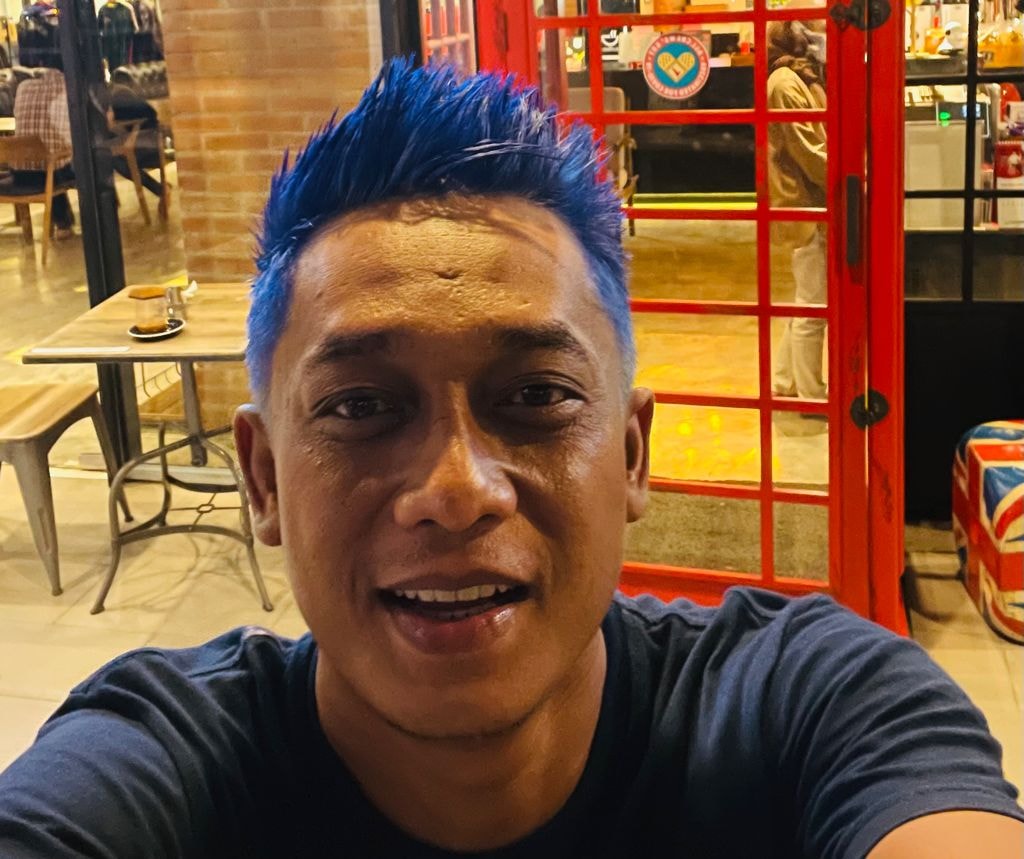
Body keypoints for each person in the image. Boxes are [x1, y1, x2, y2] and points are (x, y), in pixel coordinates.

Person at [1, 59, 1023, 858]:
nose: (456, 491)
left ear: (631, 453)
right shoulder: (154, 762)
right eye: (360, 406)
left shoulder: (816, 705)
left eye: (535, 397)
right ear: (263, 478)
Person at [768, 21, 828, 402]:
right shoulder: (786, 84)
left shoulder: (800, 79)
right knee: (814, 305)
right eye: (815, 33)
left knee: (807, 296)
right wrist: (853, 176)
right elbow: (811, 152)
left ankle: (785, 381)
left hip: (811, 201)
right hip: (806, 203)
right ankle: (811, 393)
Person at [12, 63, 75, 237]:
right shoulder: (68, 88)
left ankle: (63, 223)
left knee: (49, 160)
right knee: (80, 162)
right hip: (51, 174)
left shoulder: (23, 88)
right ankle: (104, 218)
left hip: (20, 175)